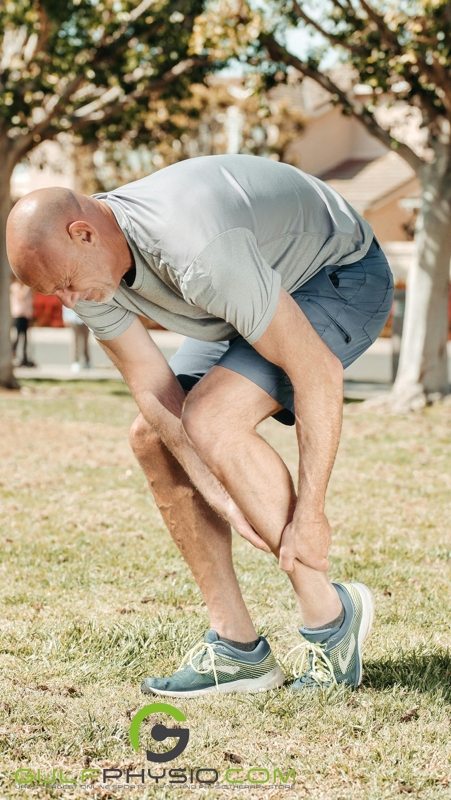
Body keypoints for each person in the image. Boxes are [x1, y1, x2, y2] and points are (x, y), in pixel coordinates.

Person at [6, 155, 394, 697]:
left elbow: (318, 372)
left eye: (67, 284)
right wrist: (220, 495)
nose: (69, 303)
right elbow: (152, 387)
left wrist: (312, 514)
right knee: (152, 438)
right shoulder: (84, 266)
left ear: (83, 233)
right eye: (56, 294)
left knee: (214, 418)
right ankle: (237, 647)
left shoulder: (194, 246)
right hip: (245, 291)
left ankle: (330, 620)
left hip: (337, 275)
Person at [10, 277, 36, 367]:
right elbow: (21, 296)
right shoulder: (15, 287)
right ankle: (12, 354)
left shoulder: (25, 288)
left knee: (25, 337)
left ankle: (25, 357)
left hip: (26, 315)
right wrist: (27, 286)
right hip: (18, 315)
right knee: (17, 336)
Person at [62, 305, 92, 371]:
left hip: (86, 319)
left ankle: (87, 361)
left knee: (86, 342)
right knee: (74, 341)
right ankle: (75, 361)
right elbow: (66, 303)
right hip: (73, 318)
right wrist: (65, 317)